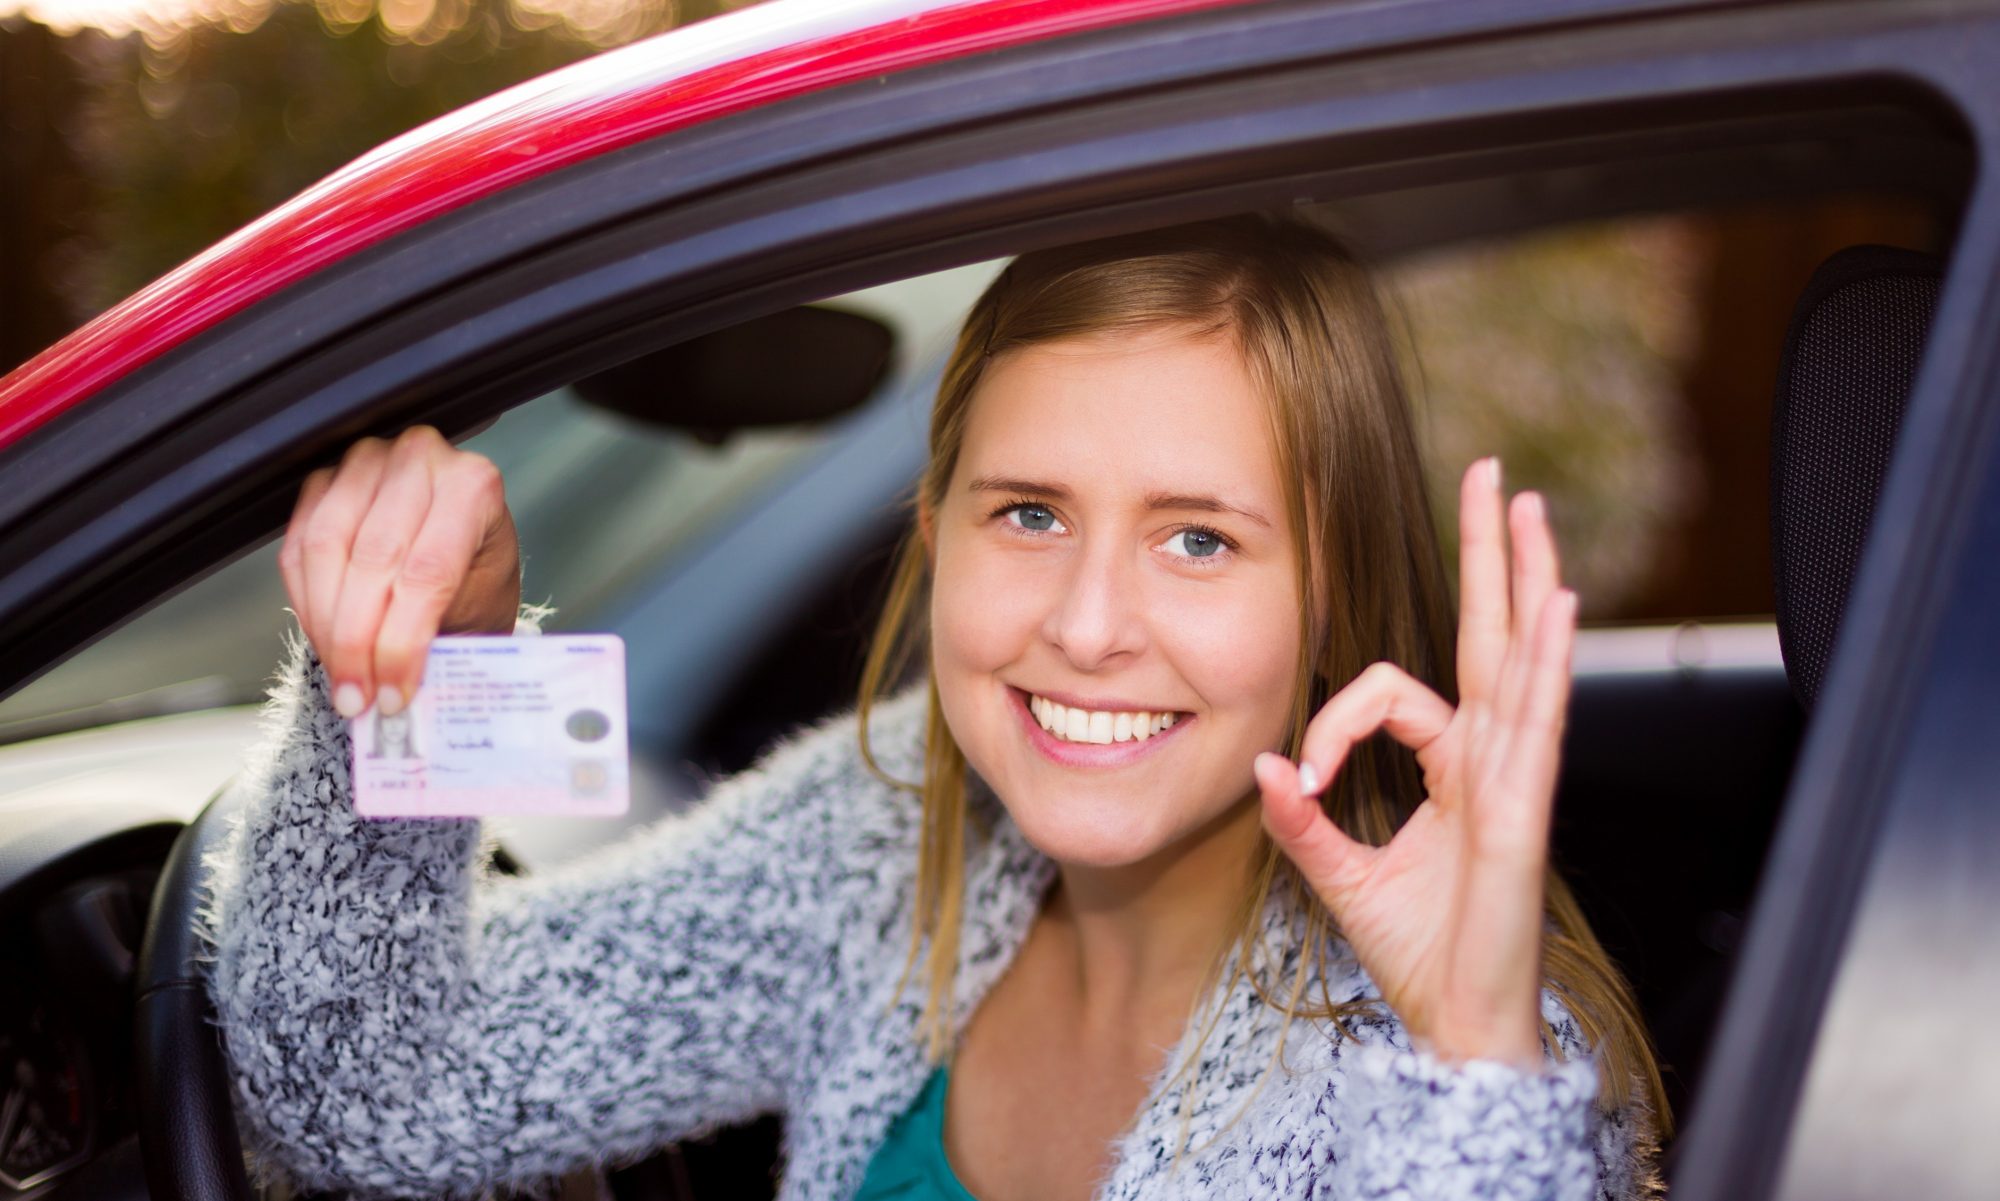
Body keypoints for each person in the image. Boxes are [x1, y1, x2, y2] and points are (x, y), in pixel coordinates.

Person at [204, 215, 1666, 1201]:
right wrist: (424, 669)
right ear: (936, 526)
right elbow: (372, 1086)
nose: (1087, 626)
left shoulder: (1488, 1065)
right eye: (1030, 513)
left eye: (1199, 537)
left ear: (1331, 594)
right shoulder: (890, 819)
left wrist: (1477, 1062)